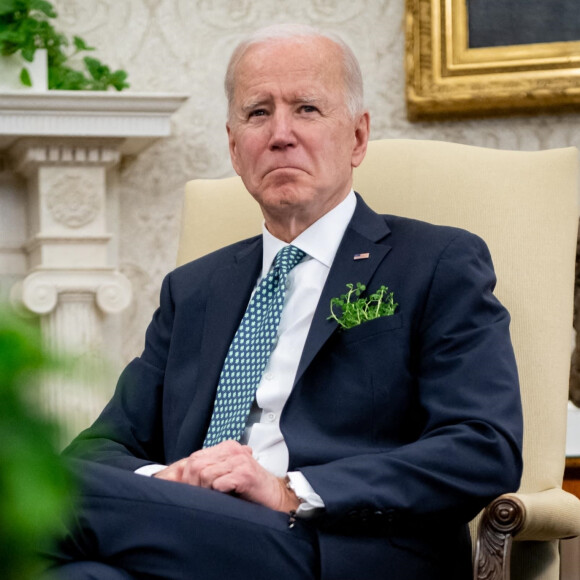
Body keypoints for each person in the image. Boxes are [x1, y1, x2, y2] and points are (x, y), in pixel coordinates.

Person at [45, 23, 523, 580]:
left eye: (307, 109)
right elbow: (97, 452)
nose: (280, 134)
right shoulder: (194, 289)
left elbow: (482, 446)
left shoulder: (435, 261)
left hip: (339, 546)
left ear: (358, 137)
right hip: (192, 533)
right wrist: (170, 482)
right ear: (233, 145)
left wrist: (287, 490)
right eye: (257, 113)